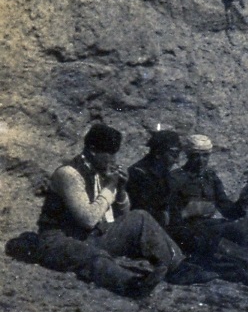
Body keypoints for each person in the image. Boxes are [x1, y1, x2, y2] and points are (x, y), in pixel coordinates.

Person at [34, 123, 191, 297]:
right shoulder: (69, 174)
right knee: (92, 256)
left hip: (88, 236)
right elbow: (88, 219)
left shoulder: (98, 170)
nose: (113, 160)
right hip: (57, 239)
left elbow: (122, 217)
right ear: (92, 150)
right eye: (108, 154)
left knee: (140, 217)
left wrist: (121, 190)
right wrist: (109, 187)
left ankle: (178, 266)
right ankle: (132, 284)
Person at [168, 135, 248, 286]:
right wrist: (196, 210)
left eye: (205, 156)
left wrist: (242, 202)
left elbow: (227, 209)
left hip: (210, 225)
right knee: (228, 237)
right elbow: (172, 217)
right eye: (196, 156)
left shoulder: (210, 177)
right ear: (188, 155)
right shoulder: (175, 179)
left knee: (247, 228)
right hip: (188, 230)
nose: (201, 161)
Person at [126, 129, 182, 226]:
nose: (176, 161)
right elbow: (143, 214)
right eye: (173, 155)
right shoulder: (138, 174)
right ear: (158, 154)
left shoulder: (164, 174)